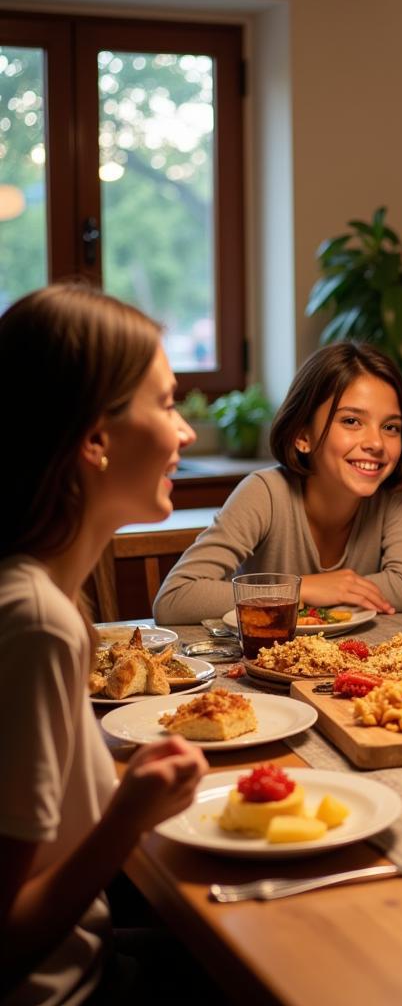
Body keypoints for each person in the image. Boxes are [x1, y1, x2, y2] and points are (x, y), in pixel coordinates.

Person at [0, 283, 208, 1004]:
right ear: (94, 439)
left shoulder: (44, 593)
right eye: (167, 402)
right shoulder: (35, 622)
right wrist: (129, 816)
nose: (184, 433)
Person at [154, 342, 402, 624]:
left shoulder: (399, 489)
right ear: (302, 436)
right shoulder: (264, 492)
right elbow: (175, 598)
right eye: (351, 421)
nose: (376, 443)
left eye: (391, 427)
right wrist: (304, 589)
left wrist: (335, 590)